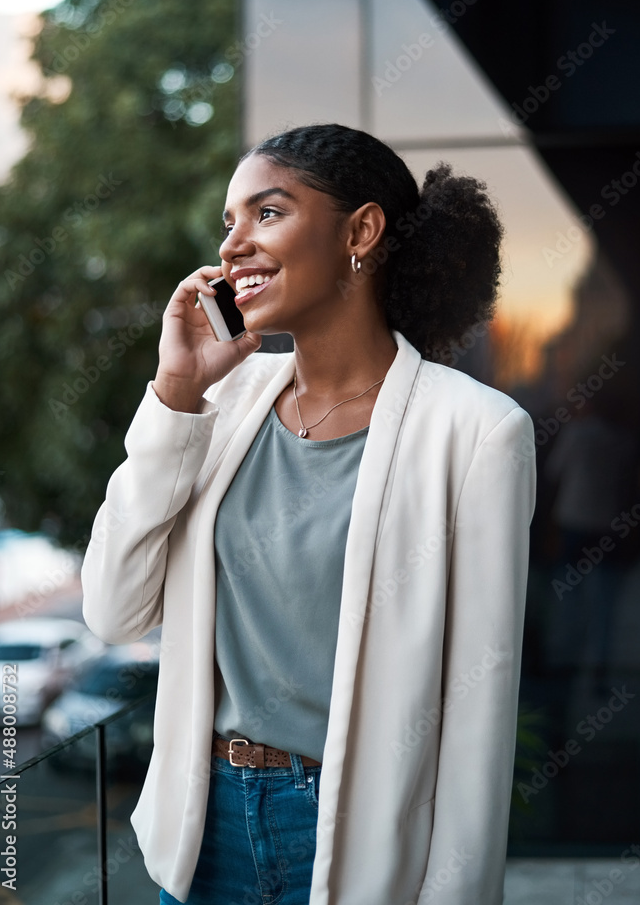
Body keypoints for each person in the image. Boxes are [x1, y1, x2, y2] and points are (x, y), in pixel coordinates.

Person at [81, 123, 536, 905]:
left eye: (267, 213)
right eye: (229, 223)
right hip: (203, 833)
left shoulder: (476, 432)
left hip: (356, 842)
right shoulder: (215, 407)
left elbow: (476, 707)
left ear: (360, 230)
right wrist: (177, 393)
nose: (233, 247)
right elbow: (113, 612)